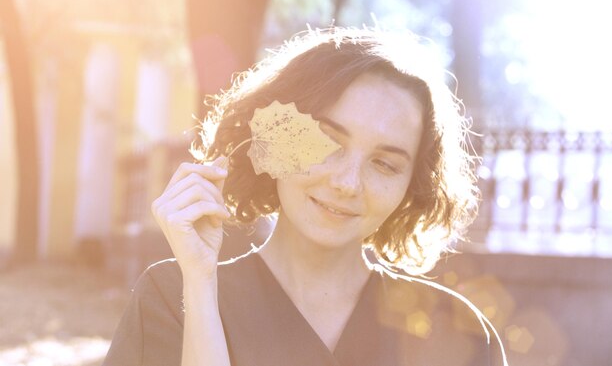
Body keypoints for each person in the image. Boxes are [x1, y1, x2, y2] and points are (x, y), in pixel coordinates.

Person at [103, 27, 507, 366]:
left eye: (385, 164)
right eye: (329, 142)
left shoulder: (458, 333)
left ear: (411, 187)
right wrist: (200, 287)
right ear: (275, 136)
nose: (348, 183)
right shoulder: (170, 297)